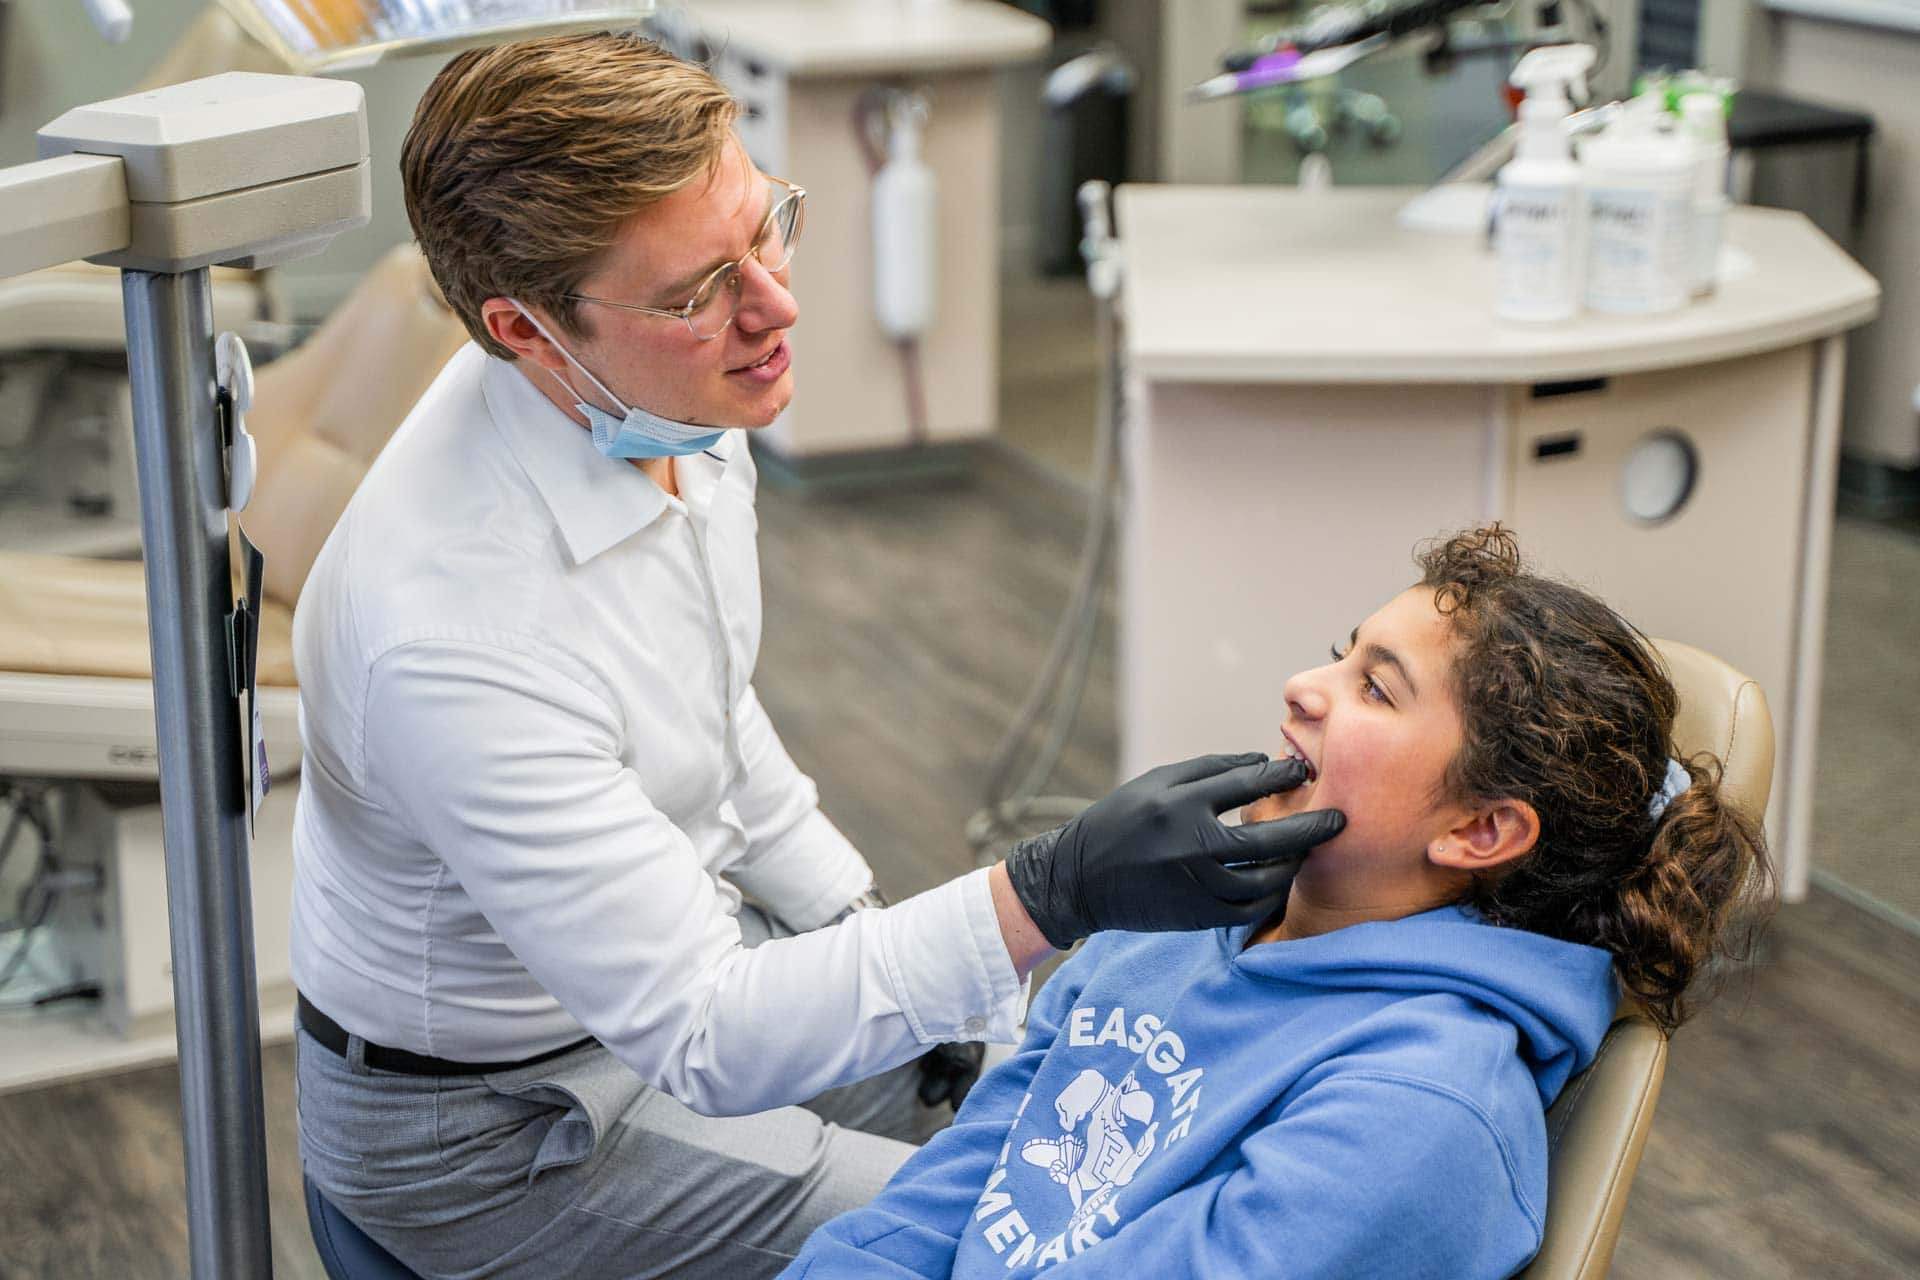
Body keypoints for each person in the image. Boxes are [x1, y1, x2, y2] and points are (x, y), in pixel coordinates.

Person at [288, 32, 1345, 1280]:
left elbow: (710, 705)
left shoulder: (664, 400)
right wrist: (1047, 892)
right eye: (696, 291)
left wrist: (885, 942)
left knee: (1049, 1099)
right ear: (525, 329)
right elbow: (709, 1032)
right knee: (1031, 1237)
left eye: (765, 229)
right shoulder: (452, 635)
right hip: (494, 1129)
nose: (775, 308)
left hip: (665, 987)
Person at [783, 525, 1774, 1279]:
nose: (1303, 686)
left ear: (1479, 831)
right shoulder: (1171, 926)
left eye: (1375, 690)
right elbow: (954, 1191)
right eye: (1340, 654)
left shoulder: (1419, 1113)